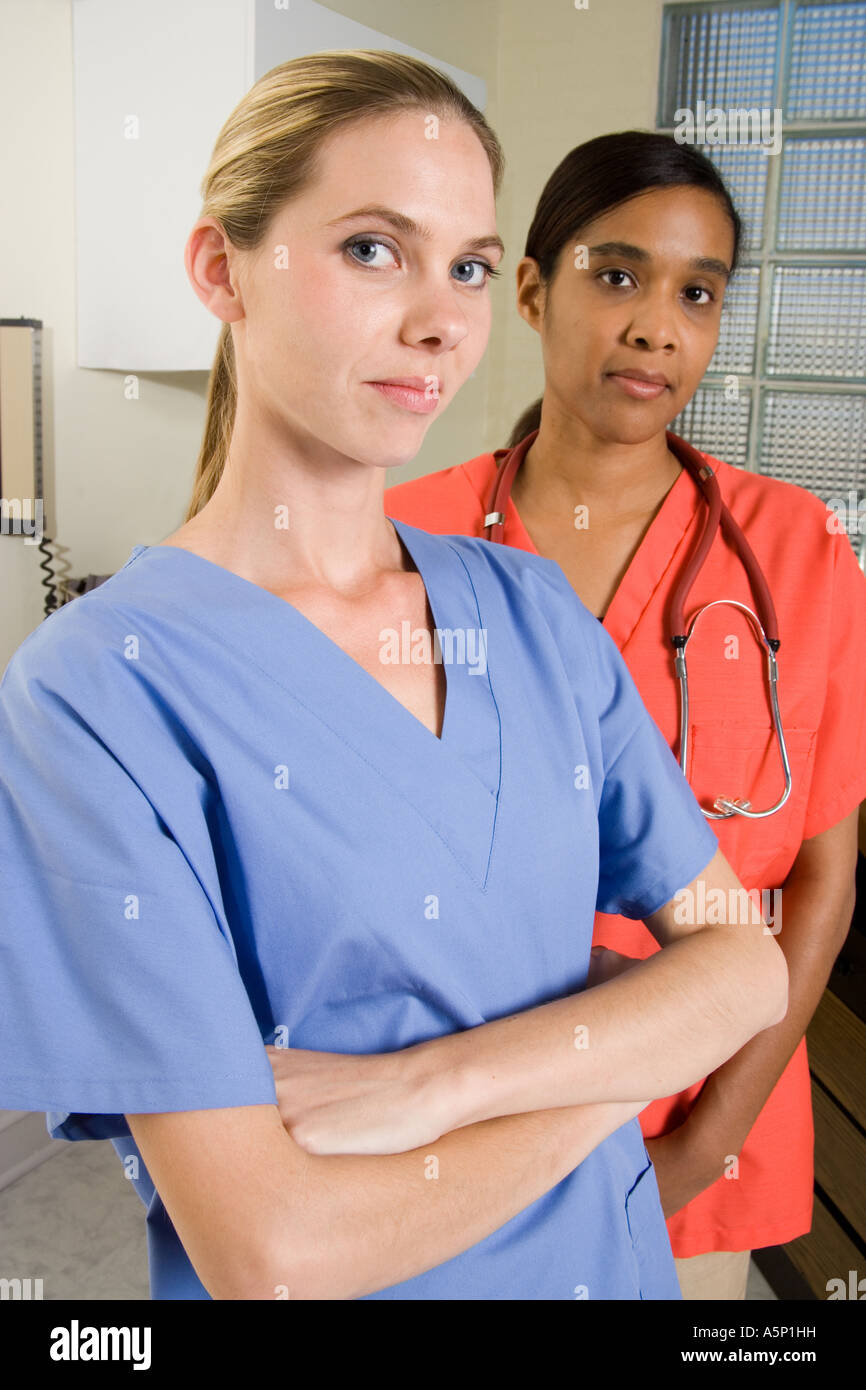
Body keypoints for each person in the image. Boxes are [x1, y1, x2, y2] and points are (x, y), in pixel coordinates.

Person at [0, 57, 788, 1302]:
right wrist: (619, 1061)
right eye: (374, 249)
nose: (441, 320)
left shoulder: (528, 614)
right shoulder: (94, 698)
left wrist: (432, 1083)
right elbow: (274, 1252)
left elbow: (744, 965)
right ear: (221, 271)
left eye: (469, 266)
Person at [384, 130, 866, 1300]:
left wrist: (699, 1149)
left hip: (702, 1120)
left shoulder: (796, 553)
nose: (655, 323)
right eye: (615, 275)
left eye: (695, 292)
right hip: (458, 1122)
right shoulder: (397, 538)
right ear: (535, 290)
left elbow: (818, 881)